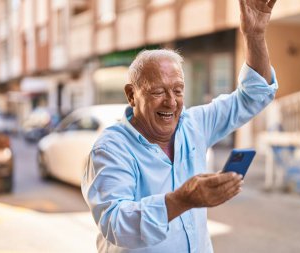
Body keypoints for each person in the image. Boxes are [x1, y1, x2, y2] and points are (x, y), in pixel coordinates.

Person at [82, 0, 278, 252]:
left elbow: (255, 95)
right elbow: (116, 224)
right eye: (158, 91)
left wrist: (254, 35)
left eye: (178, 90)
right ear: (132, 95)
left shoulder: (193, 124)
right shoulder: (110, 149)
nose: (171, 101)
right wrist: (183, 199)